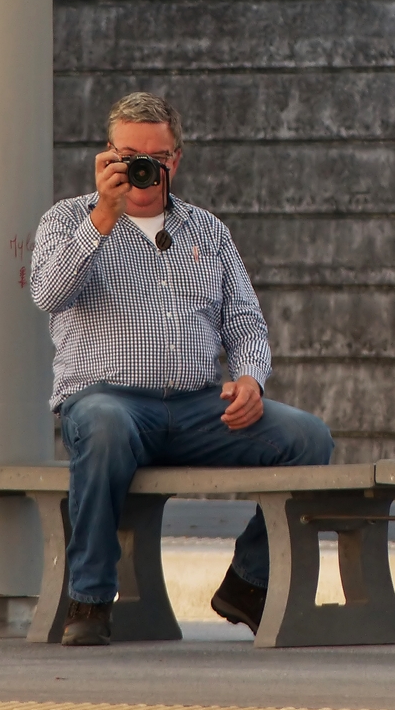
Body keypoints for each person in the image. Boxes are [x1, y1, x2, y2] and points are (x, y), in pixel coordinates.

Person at [29, 92, 334, 646]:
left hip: (195, 405)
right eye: (130, 154)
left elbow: (244, 320)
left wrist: (248, 378)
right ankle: (90, 598)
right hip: (108, 403)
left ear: (177, 159)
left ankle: (248, 580)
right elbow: (48, 294)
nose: (145, 167)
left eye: (158, 156)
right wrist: (102, 218)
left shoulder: (206, 231)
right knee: (102, 424)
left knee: (308, 437)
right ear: (107, 157)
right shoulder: (68, 219)